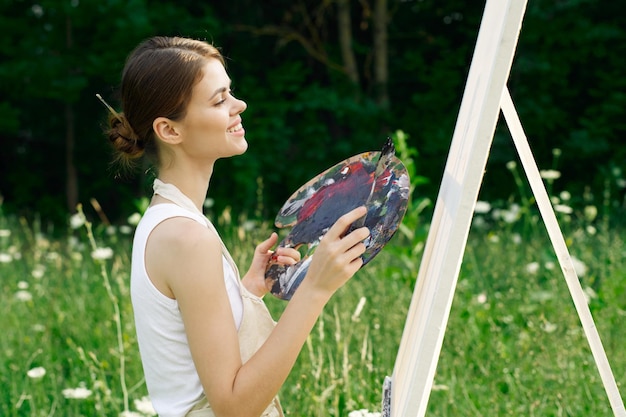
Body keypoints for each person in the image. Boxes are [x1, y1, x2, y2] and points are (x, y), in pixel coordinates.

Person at [101, 36, 370, 417]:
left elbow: (188, 353)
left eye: (231, 93)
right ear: (170, 130)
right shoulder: (185, 236)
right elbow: (232, 406)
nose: (239, 105)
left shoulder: (170, 220)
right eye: (219, 100)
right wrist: (315, 288)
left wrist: (246, 292)